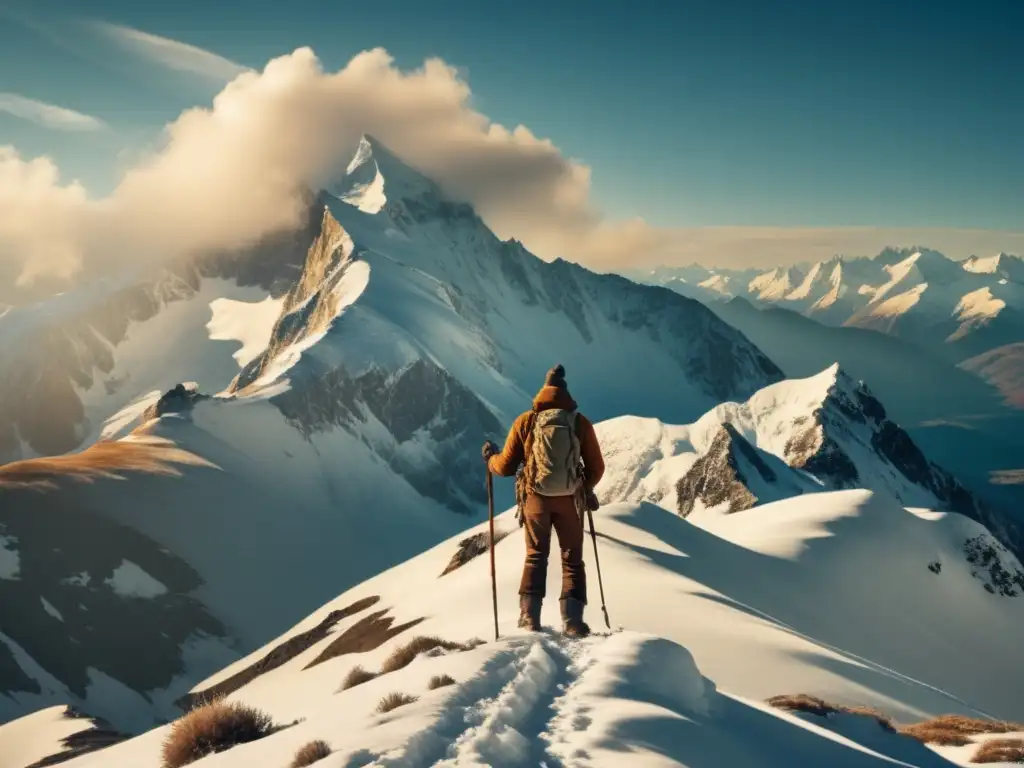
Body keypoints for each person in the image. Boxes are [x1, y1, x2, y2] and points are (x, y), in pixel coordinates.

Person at [482, 364, 605, 637]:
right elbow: (597, 468)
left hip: (535, 499)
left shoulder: (526, 421)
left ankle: (529, 618)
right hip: (570, 501)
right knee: (572, 559)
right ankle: (572, 622)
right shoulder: (579, 423)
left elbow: (503, 467)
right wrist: (582, 488)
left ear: (541, 395)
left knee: (536, 556)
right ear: (566, 396)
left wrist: (490, 458)